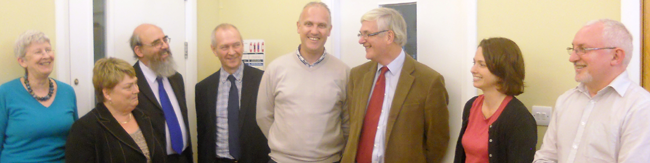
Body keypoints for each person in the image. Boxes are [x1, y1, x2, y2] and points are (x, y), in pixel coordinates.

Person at [341, 7, 449, 163]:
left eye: (367, 34)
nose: (361, 40)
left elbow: (437, 142)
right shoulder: (357, 76)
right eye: (361, 34)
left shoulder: (429, 81)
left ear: (389, 36)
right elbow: (353, 127)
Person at [534, 19, 650, 162]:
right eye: (573, 49)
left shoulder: (640, 107)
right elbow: (546, 157)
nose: (572, 58)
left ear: (616, 56)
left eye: (583, 49)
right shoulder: (566, 100)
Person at [256, 2, 350, 163]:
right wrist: (284, 146)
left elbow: (347, 122)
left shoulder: (344, 72)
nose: (314, 31)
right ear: (299, 27)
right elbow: (263, 116)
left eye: (321, 25)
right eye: (309, 24)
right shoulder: (275, 69)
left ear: (329, 30)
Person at [65, 58, 166, 163]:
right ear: (107, 94)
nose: (136, 90)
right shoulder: (85, 129)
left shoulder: (145, 117)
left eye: (135, 83)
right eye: (128, 87)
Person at [453, 37, 537, 163]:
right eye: (474, 63)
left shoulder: (520, 119)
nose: (473, 70)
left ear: (502, 69)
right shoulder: (471, 106)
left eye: (482, 64)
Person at [0, 30, 78, 162]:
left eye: (48, 50)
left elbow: (76, 138)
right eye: (38, 52)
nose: (46, 56)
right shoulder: (6, 93)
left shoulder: (67, 91)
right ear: (22, 61)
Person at [196, 23, 269, 163]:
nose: (231, 52)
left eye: (236, 45)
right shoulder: (203, 89)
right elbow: (203, 136)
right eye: (224, 47)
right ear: (214, 49)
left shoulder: (264, 81)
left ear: (242, 45)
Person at [130, 24, 193, 163]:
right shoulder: (129, 82)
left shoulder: (176, 78)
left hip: (183, 157)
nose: (164, 46)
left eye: (165, 40)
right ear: (139, 51)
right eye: (156, 43)